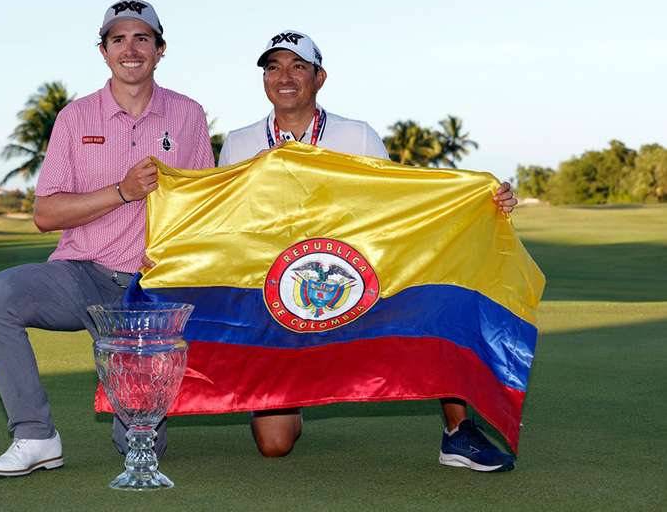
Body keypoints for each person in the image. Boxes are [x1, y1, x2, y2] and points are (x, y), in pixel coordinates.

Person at [219, 30, 518, 472]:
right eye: (273, 67)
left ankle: (458, 432)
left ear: (319, 78)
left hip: (356, 282)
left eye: (298, 66)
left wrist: (480, 202)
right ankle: (293, 392)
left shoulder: (355, 135)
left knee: (435, 298)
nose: (284, 77)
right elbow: (223, 224)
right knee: (274, 445)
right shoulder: (239, 143)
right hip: (277, 297)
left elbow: (396, 203)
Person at [0, 0, 214, 477]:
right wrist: (121, 192)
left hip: (148, 289)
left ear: (160, 49)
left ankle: (137, 433)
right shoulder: (75, 118)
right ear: (102, 51)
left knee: (139, 443)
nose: (130, 48)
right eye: (118, 39)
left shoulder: (187, 115)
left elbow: (201, 207)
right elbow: (45, 213)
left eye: (142, 37)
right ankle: (35, 436)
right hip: (80, 275)